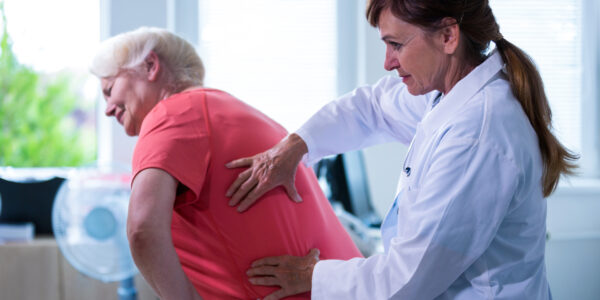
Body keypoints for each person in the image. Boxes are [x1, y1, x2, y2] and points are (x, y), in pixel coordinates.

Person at [227, 0, 579, 299]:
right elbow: (372, 108)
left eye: (396, 44)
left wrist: (312, 276)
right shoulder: (450, 93)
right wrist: (297, 144)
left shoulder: (478, 134)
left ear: (447, 36)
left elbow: (407, 281)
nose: (388, 62)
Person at [89, 27, 362, 300]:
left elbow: (142, 230)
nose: (108, 108)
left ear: (150, 66)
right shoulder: (228, 110)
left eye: (110, 89)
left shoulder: (171, 113)